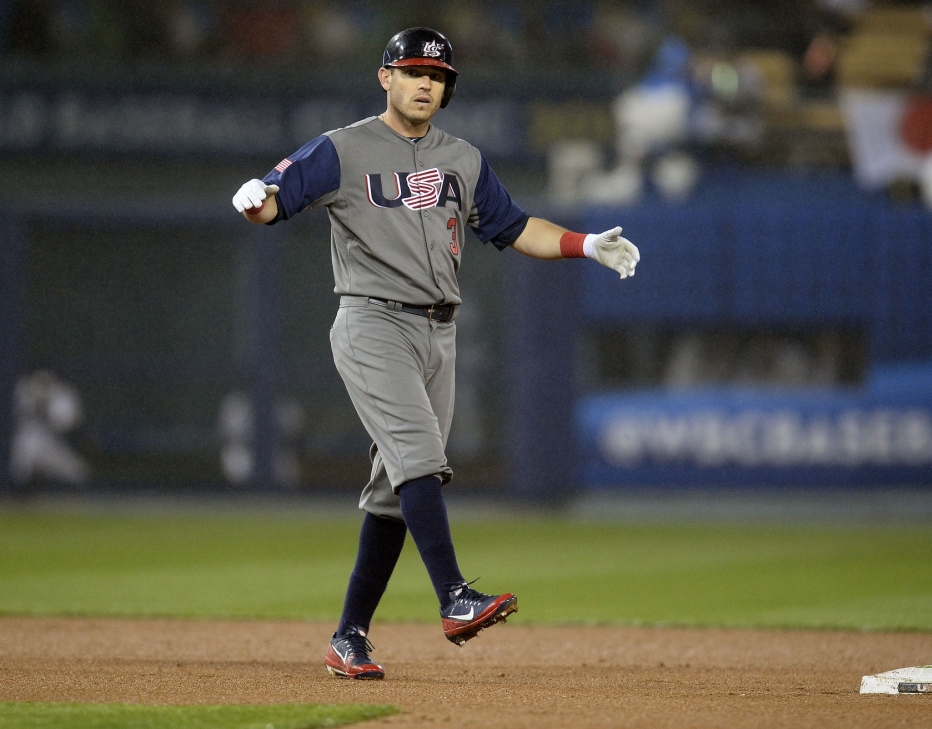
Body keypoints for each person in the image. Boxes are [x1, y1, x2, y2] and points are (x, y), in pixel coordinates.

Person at [231, 27, 639, 681]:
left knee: (396, 490)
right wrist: (255, 201)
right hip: (372, 322)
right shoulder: (344, 148)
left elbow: (513, 227)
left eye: (438, 75)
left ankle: (349, 636)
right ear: (385, 76)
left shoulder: (462, 158)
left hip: (437, 332)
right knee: (420, 457)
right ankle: (453, 595)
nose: (427, 83)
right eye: (414, 71)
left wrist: (584, 244)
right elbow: (274, 201)